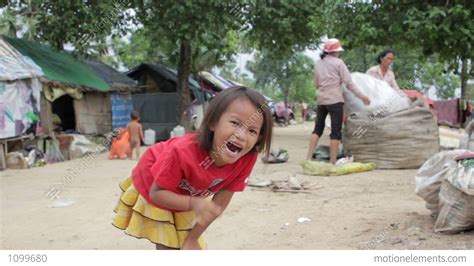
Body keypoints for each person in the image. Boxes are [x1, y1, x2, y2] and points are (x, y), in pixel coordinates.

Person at [112, 86, 273, 250]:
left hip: (187, 193)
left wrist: (192, 238)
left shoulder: (246, 158)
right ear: (213, 122)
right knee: (168, 245)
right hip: (154, 179)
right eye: (235, 123)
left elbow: (218, 205)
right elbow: (157, 193)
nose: (241, 135)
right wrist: (195, 204)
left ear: (259, 138)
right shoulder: (182, 152)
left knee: (186, 244)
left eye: (252, 130)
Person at [306, 38, 370, 164]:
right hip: (335, 101)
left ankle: (308, 158)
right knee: (336, 131)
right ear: (335, 52)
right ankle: (333, 161)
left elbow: (316, 83)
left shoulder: (318, 63)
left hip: (321, 101)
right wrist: (362, 97)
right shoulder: (339, 63)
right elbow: (349, 83)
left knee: (318, 129)